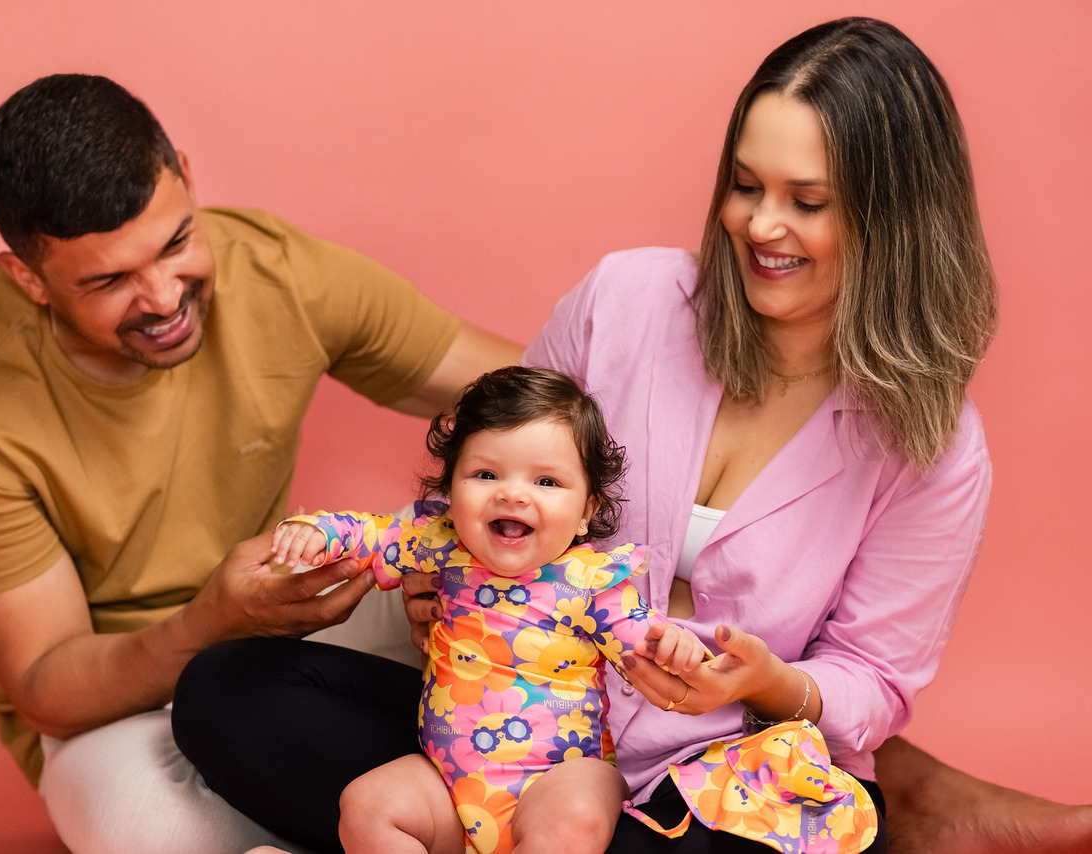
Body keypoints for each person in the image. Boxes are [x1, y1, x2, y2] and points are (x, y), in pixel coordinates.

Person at [172, 16, 1092, 854]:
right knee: (226, 694)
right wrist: (432, 575)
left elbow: (871, 680)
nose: (760, 225)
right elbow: (490, 468)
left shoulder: (932, 444)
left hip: (716, 772)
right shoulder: (626, 300)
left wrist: (768, 684)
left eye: (806, 201)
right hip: (508, 724)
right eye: (745, 185)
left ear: (895, 219)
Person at [0, 73, 519, 854]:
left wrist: (459, 566)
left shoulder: (278, 271)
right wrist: (211, 624)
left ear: (185, 176)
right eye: (109, 280)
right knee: (157, 831)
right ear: (28, 278)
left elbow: (542, 400)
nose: (162, 297)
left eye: (176, 242)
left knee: (539, 556)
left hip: (294, 613)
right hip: (118, 706)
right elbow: (49, 686)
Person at [255, 366, 710, 854]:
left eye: (546, 481)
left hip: (556, 779)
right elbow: (369, 534)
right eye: (486, 475)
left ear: (586, 512)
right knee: (367, 804)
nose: (512, 493)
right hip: (450, 785)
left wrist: (677, 646)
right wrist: (317, 532)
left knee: (574, 816)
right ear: (451, 493)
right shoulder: (440, 547)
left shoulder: (592, 583)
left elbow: (649, 642)